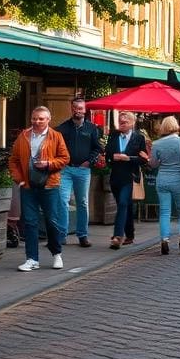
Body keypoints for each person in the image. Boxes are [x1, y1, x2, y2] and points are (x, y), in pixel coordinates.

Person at [8, 106, 70, 272]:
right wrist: (19, 179)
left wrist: (48, 164)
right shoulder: (23, 136)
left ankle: (57, 253)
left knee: (52, 220)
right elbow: (13, 160)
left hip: (49, 184)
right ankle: (32, 259)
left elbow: (64, 158)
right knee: (29, 222)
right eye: (34, 118)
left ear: (48, 119)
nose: (37, 121)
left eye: (41, 119)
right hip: (27, 185)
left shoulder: (56, 136)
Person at [55, 97, 101, 248]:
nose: (78, 111)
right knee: (62, 201)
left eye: (81, 108)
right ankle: (61, 235)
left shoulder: (91, 128)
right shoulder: (62, 129)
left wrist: (90, 161)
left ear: (85, 110)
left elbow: (97, 148)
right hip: (65, 170)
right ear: (71, 109)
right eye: (75, 108)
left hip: (83, 170)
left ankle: (82, 235)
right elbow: (55, 148)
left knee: (82, 202)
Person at [148, 116, 180, 255]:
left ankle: (164, 240)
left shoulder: (157, 143)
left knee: (164, 211)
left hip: (162, 180)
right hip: (179, 180)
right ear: (176, 126)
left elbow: (153, 164)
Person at [104, 111, 149, 250]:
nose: (122, 124)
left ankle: (117, 236)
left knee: (123, 203)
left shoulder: (139, 138)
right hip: (116, 177)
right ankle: (130, 234)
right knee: (125, 206)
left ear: (132, 123)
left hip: (130, 177)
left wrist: (128, 158)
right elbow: (108, 155)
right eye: (120, 122)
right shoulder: (113, 135)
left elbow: (143, 159)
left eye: (125, 122)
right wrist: (112, 158)